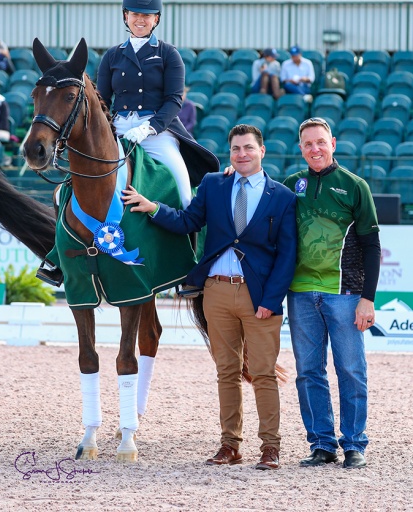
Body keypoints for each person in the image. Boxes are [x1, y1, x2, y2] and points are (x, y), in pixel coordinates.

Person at [123, 124, 297, 470]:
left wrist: (271, 300)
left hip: (259, 295)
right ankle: (230, 445)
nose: (242, 154)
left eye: (248, 147)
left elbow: (287, 255)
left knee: (262, 373)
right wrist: (153, 207)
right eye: (236, 149)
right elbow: (188, 221)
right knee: (226, 372)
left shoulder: (283, 197)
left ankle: (270, 448)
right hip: (216, 291)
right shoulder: (214, 185)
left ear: (262, 151)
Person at [283, 117, 381, 470]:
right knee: (308, 372)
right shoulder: (292, 184)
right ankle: (322, 444)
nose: (315, 149)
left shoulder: (355, 186)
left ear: (334, 143)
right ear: (300, 148)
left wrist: (368, 298)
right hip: (300, 294)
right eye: (308, 144)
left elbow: (372, 246)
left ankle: (354, 444)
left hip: (345, 295)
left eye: (321, 142)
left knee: (351, 370)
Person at [97, 0, 218, 208]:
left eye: (147, 16)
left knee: (184, 195)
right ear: (126, 16)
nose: (140, 20)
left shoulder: (168, 54)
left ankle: (189, 240)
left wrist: (148, 128)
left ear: (156, 19)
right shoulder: (112, 56)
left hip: (156, 132)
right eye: (135, 14)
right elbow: (102, 100)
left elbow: (174, 100)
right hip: (119, 129)